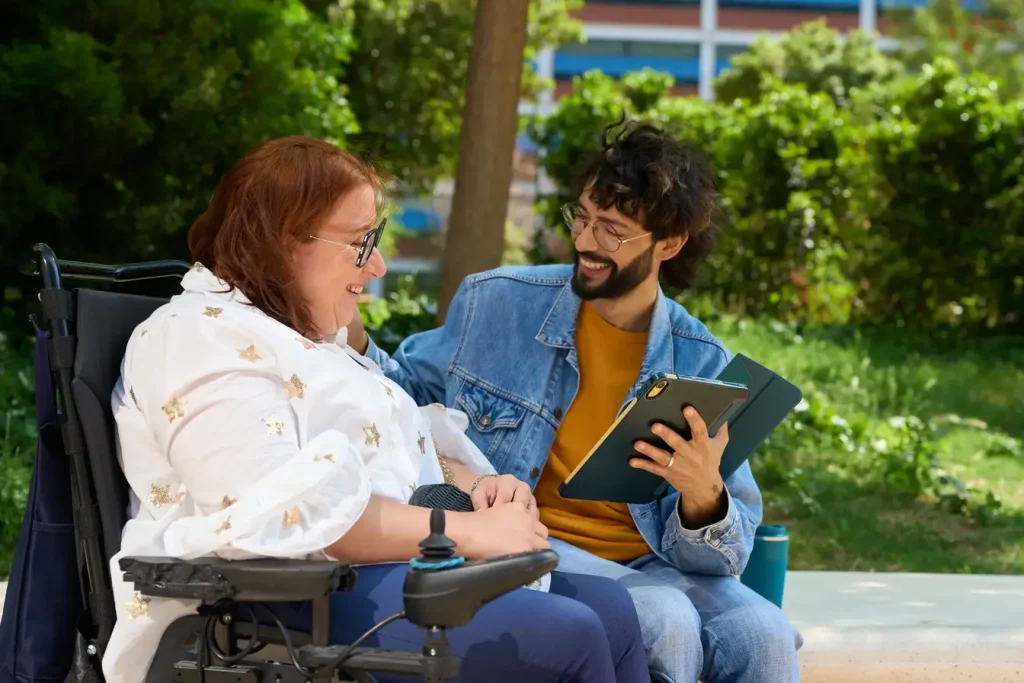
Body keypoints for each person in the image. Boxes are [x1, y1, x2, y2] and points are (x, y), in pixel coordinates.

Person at [103, 135, 651, 683]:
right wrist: (467, 532)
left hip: (382, 567)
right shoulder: (198, 336)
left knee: (617, 613)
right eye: (362, 243)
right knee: (569, 633)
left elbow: (390, 445)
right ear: (284, 241)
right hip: (278, 594)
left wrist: (474, 488)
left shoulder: (311, 337)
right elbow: (283, 511)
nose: (379, 266)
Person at [347, 120, 803, 683]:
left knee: (766, 633)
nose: (586, 241)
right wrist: (347, 320)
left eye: (612, 230)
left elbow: (724, 560)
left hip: (650, 562)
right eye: (582, 218)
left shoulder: (701, 360)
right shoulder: (497, 303)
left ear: (669, 243)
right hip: (530, 540)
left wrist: (704, 495)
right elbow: (404, 401)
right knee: (668, 619)